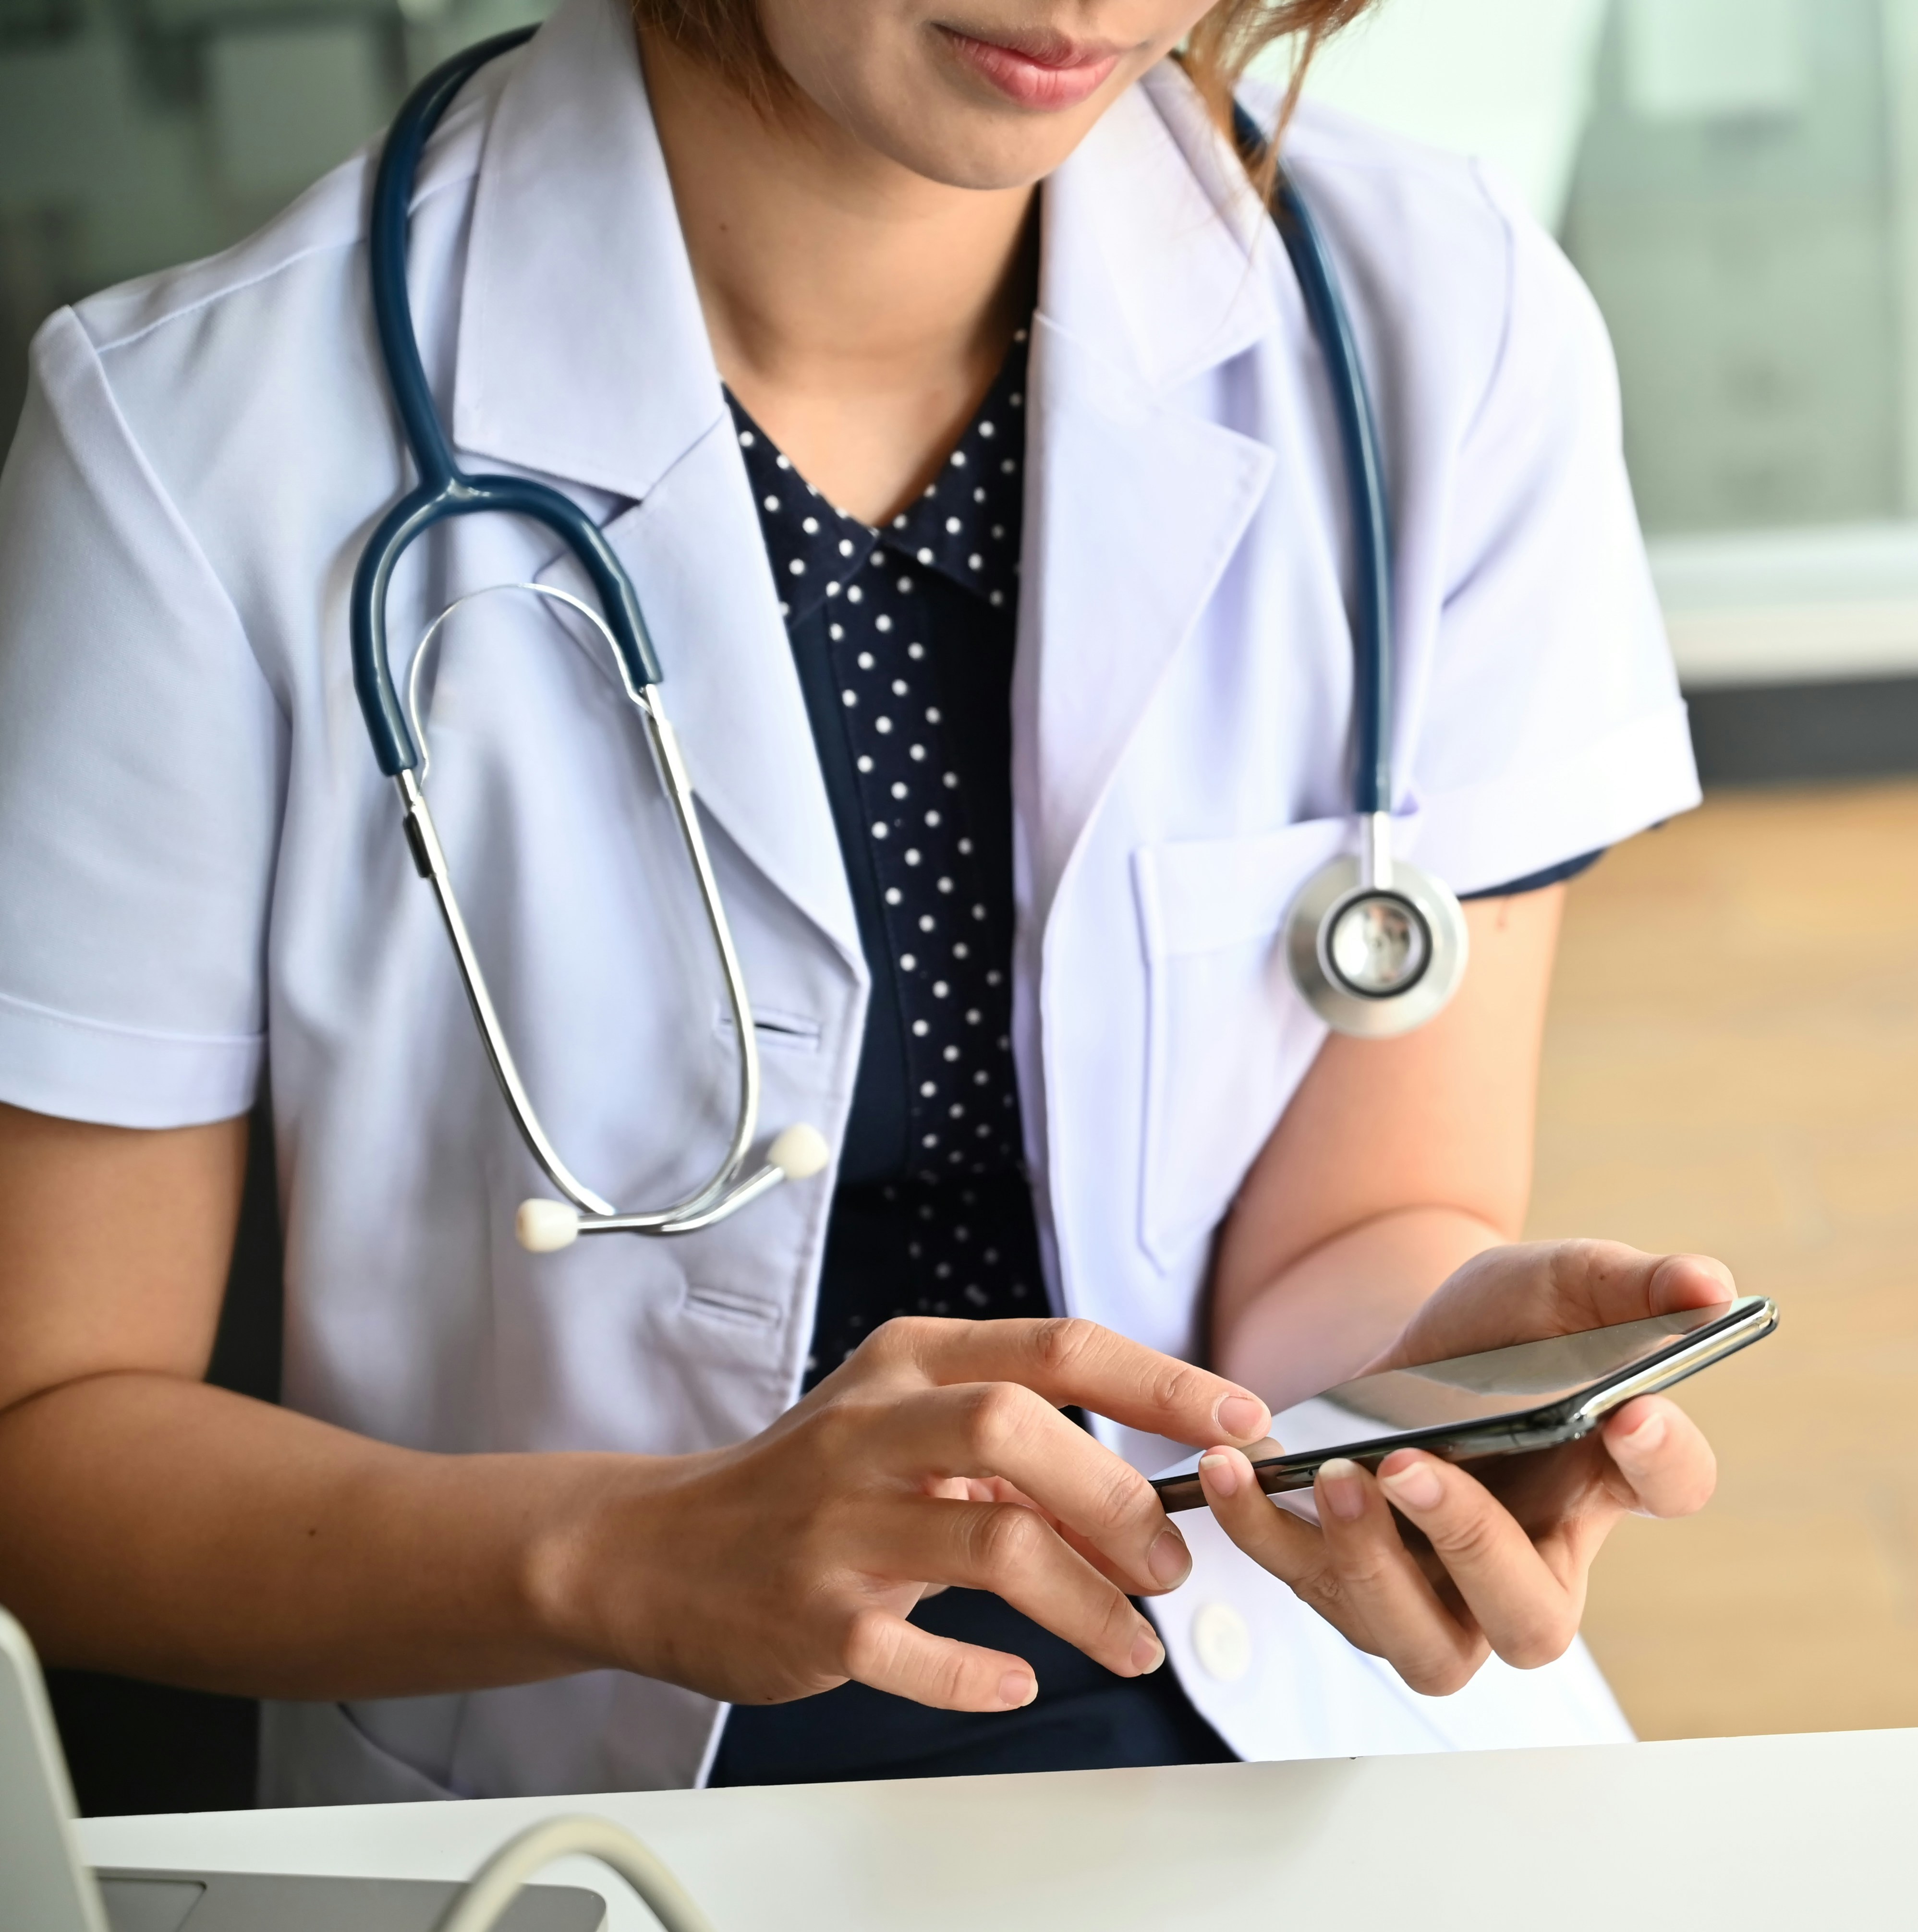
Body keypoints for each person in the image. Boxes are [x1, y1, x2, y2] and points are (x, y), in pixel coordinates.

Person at [0, 0, 1724, 1805]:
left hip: (1264, 1719)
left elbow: (1340, 1236)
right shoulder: (195, 444)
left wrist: (1414, 1392)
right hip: (571, 1775)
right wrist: (631, 1552)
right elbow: (48, 1451)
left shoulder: (1440, 324)